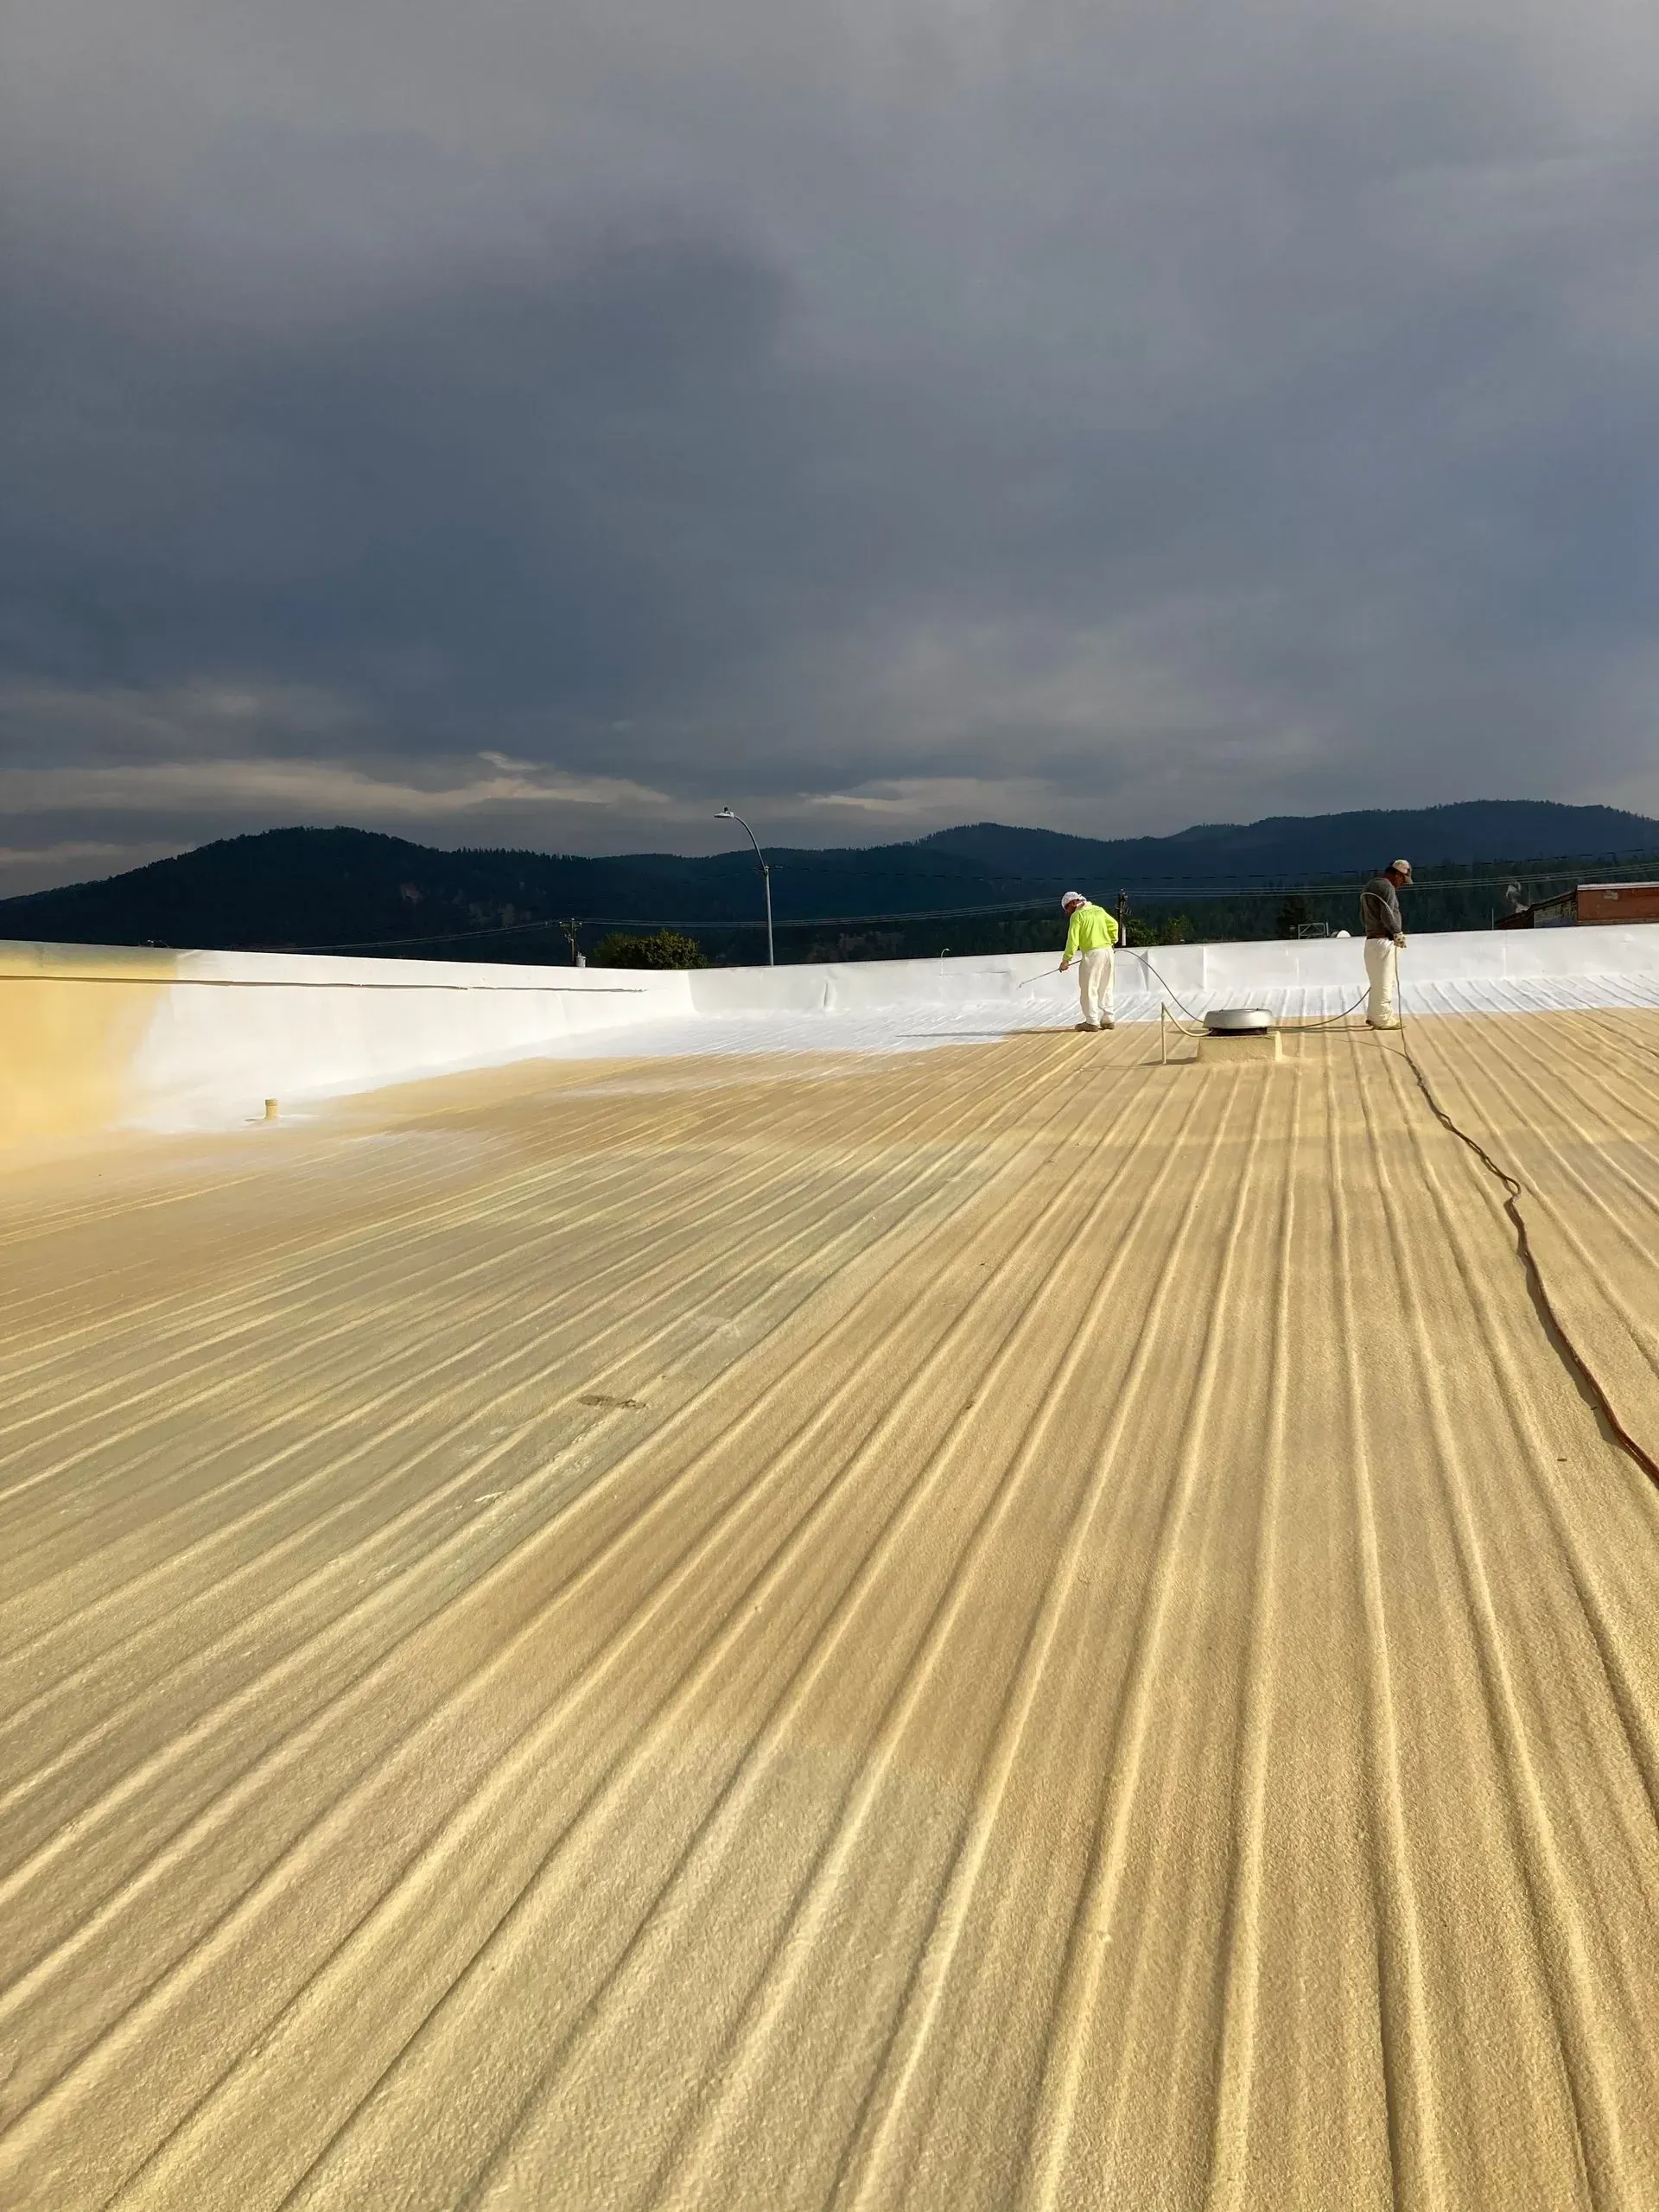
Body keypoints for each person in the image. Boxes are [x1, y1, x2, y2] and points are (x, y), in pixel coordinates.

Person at [1359, 859, 1411, 1027]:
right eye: (1403, 879)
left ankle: (1374, 1015)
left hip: (1371, 942)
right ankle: (1383, 1019)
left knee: (1377, 983)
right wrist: (1397, 932)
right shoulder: (1387, 887)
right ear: (1397, 874)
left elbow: (1362, 916)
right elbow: (1387, 914)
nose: (1402, 884)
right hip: (1384, 942)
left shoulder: (1370, 886)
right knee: (1386, 983)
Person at [1058, 890, 1119, 1030]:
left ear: (1073, 903)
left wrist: (1066, 959)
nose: (1067, 912)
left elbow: (1073, 939)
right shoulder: (1098, 910)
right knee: (1106, 985)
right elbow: (1114, 925)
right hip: (1108, 951)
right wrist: (1112, 940)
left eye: (1067, 908)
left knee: (1089, 987)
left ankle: (1092, 1021)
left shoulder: (1077, 916)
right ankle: (1108, 1018)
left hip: (1092, 954)